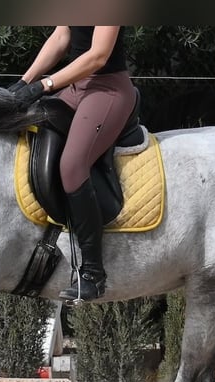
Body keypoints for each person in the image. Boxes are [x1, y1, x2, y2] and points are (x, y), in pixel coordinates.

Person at [9, 26, 137, 301]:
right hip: (76, 88)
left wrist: (44, 85)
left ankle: (92, 274)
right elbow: (61, 36)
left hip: (108, 89)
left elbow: (98, 56)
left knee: (72, 166)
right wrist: (23, 83)